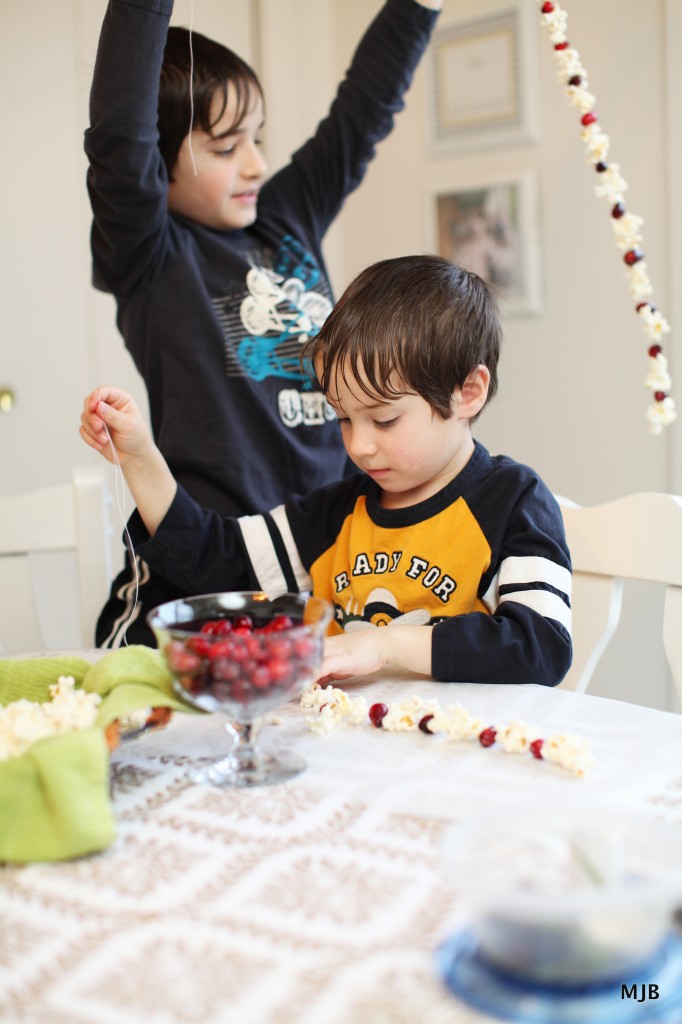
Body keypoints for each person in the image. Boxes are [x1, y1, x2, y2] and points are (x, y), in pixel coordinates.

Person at [84, 0, 442, 648]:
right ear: (157, 166)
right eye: (225, 147)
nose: (254, 163)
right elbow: (118, 131)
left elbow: (362, 112)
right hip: (205, 565)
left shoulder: (288, 216)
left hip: (324, 556)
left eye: (259, 139)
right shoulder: (150, 251)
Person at [80, 255, 573, 686]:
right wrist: (140, 457)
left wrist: (385, 646)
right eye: (343, 418)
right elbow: (213, 557)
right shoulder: (338, 512)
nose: (359, 445)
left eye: (384, 419)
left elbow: (540, 645)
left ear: (467, 392)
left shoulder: (513, 500)